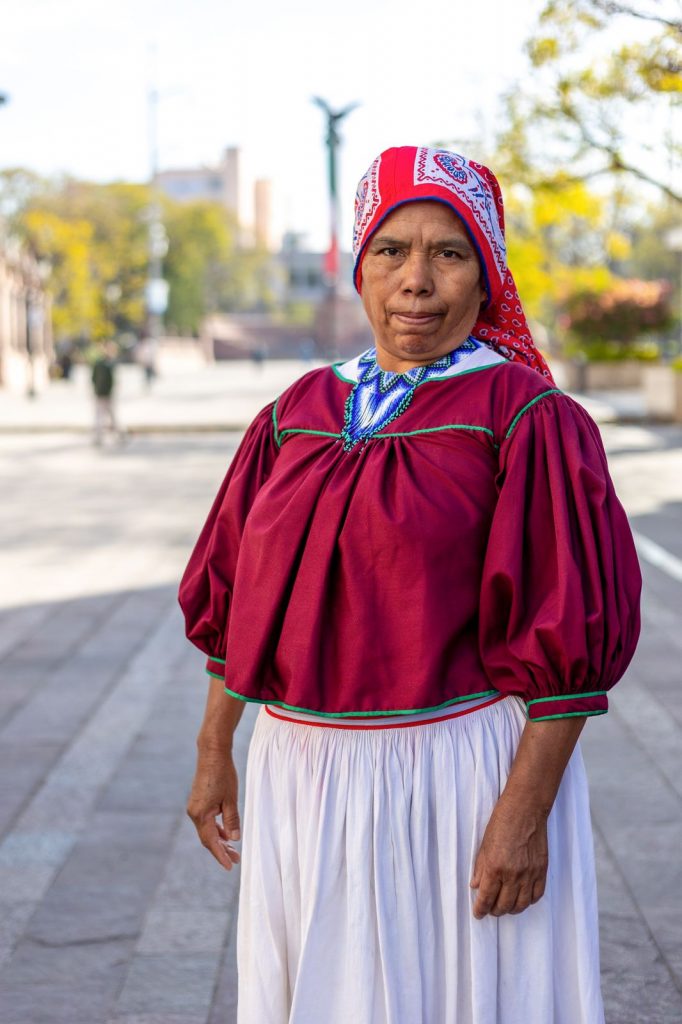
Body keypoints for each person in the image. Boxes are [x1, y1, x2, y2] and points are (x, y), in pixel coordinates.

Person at [179, 146, 641, 1023]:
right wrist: (214, 753)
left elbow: (569, 637)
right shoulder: (293, 414)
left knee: (457, 994)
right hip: (302, 775)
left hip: (458, 775)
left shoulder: (527, 417)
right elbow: (234, 602)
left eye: (448, 253)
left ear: (485, 279)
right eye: (390, 250)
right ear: (360, 269)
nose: (416, 280)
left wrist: (522, 816)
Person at [91, 341, 123, 445]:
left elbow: (93, 378)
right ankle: (101, 437)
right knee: (103, 416)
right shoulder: (106, 364)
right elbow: (95, 378)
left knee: (107, 416)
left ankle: (116, 435)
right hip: (104, 393)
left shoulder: (104, 363)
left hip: (102, 393)